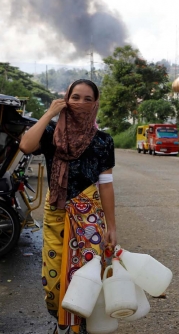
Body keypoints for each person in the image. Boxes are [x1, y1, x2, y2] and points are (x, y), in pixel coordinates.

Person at [19, 79, 116, 334]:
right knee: (53, 279)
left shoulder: (103, 141)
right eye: (75, 97)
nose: (81, 103)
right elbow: (26, 145)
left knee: (86, 275)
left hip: (89, 217)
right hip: (56, 213)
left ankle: (78, 326)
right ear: (65, 98)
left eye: (87, 99)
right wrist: (50, 113)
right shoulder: (52, 134)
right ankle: (59, 315)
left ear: (95, 103)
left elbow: (106, 184)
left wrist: (112, 227)